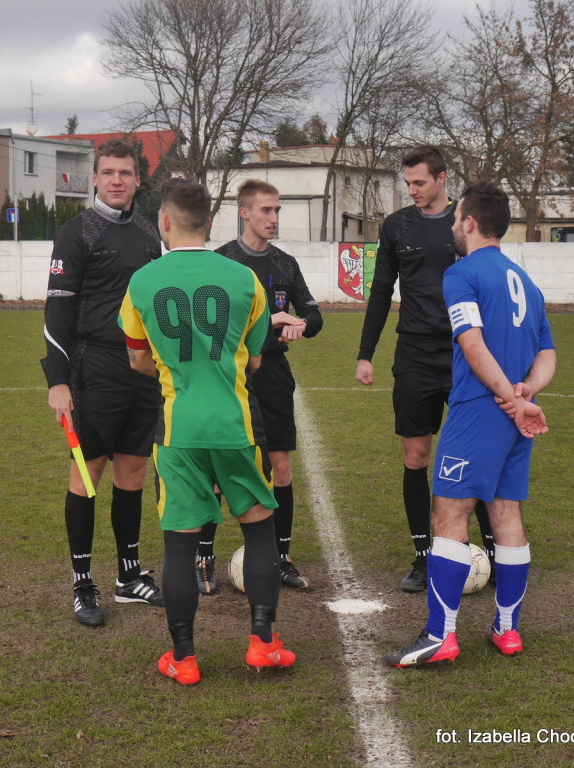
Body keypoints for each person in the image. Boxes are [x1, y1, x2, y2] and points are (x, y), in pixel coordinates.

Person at [119, 177, 295, 686]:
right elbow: (257, 359)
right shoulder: (244, 280)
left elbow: (136, 358)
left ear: (165, 221)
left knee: (179, 542)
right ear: (212, 222)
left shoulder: (142, 282)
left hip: (178, 428)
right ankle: (262, 643)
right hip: (235, 424)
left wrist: (178, 373)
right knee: (259, 524)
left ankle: (184, 657)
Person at [385, 181, 555, 667]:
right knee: (505, 514)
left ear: (471, 223)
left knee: (449, 515)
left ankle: (440, 636)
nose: (454, 226)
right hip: (514, 414)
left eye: (457, 219)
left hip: (481, 410)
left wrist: (508, 397)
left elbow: (473, 346)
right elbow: (547, 353)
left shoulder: (462, 274)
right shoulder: (526, 280)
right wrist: (525, 394)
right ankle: (507, 631)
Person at [355, 145, 495, 594]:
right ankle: (423, 555)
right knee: (415, 458)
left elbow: (489, 284)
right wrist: (365, 354)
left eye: (419, 182)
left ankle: (489, 549)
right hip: (414, 356)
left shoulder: (466, 223)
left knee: (473, 454)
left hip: (464, 355)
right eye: (407, 182)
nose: (411, 190)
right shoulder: (397, 226)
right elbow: (380, 292)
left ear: (442, 179)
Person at [42, 138, 164, 628]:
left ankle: (128, 576)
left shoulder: (148, 233)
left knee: (131, 475)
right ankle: (82, 584)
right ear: (94, 178)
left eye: (126, 173)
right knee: (86, 479)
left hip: (142, 371)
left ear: (138, 180)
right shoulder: (76, 233)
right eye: (108, 172)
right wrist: (58, 381)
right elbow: (57, 311)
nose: (117, 180)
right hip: (92, 372)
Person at [193, 179, 323, 594]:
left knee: (280, 469)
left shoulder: (285, 264)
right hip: (228, 379)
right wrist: (272, 324)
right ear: (243, 213)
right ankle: (203, 558)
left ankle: (280, 558)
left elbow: (314, 316)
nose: (274, 218)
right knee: (217, 473)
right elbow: (209, 329)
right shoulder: (219, 262)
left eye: (278, 210)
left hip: (274, 379)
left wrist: (300, 324)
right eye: (266, 210)